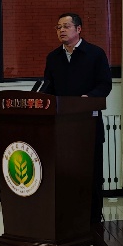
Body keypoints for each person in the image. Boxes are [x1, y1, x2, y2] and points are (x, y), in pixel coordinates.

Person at [39, 13, 113, 232]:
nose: (61, 30)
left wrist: (87, 99)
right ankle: (66, 220)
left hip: (88, 125)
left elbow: (105, 85)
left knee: (91, 175)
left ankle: (93, 221)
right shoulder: (53, 57)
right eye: (58, 27)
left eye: (66, 26)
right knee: (64, 175)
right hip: (61, 128)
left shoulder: (95, 54)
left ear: (78, 29)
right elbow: (48, 88)